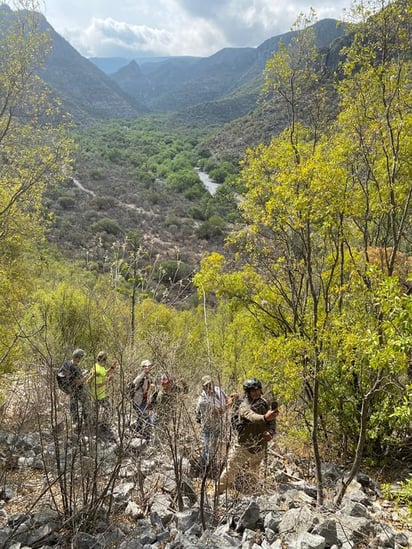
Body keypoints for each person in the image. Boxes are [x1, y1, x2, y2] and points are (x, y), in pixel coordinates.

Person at [218, 377, 279, 495]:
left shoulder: (264, 403)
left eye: (257, 390)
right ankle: (215, 493)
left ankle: (251, 495)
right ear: (247, 392)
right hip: (243, 445)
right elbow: (251, 416)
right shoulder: (243, 405)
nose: (256, 393)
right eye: (253, 391)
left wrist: (270, 432)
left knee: (253, 473)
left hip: (260, 445)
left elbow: (272, 423)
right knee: (229, 471)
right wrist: (265, 417)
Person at [195, 375, 233, 471]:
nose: (209, 387)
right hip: (209, 426)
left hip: (219, 424)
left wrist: (231, 398)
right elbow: (216, 412)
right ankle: (203, 468)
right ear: (203, 387)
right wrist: (229, 404)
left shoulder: (218, 389)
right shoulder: (202, 400)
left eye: (210, 384)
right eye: (206, 385)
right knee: (207, 448)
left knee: (215, 445)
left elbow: (227, 397)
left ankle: (212, 465)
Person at [58, 348, 92, 431]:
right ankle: (84, 422)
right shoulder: (74, 367)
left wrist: (82, 373)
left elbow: (70, 377)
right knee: (87, 403)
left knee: (73, 406)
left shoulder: (67, 363)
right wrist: (87, 377)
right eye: (80, 357)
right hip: (77, 389)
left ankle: (75, 422)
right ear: (78, 357)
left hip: (70, 390)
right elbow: (76, 381)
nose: (81, 359)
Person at [89, 351, 118, 440]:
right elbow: (97, 385)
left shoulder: (99, 367)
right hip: (97, 395)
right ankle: (100, 427)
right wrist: (108, 380)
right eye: (105, 359)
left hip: (101, 395)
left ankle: (99, 425)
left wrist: (111, 368)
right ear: (103, 359)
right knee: (105, 409)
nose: (106, 361)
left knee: (101, 410)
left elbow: (104, 373)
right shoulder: (96, 369)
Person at [130, 359, 154, 438]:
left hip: (144, 401)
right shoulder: (141, 376)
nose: (149, 368)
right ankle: (145, 435)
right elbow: (134, 382)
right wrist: (144, 372)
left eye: (149, 366)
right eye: (147, 366)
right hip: (137, 401)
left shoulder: (148, 377)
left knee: (141, 417)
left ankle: (138, 432)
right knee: (146, 418)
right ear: (143, 367)